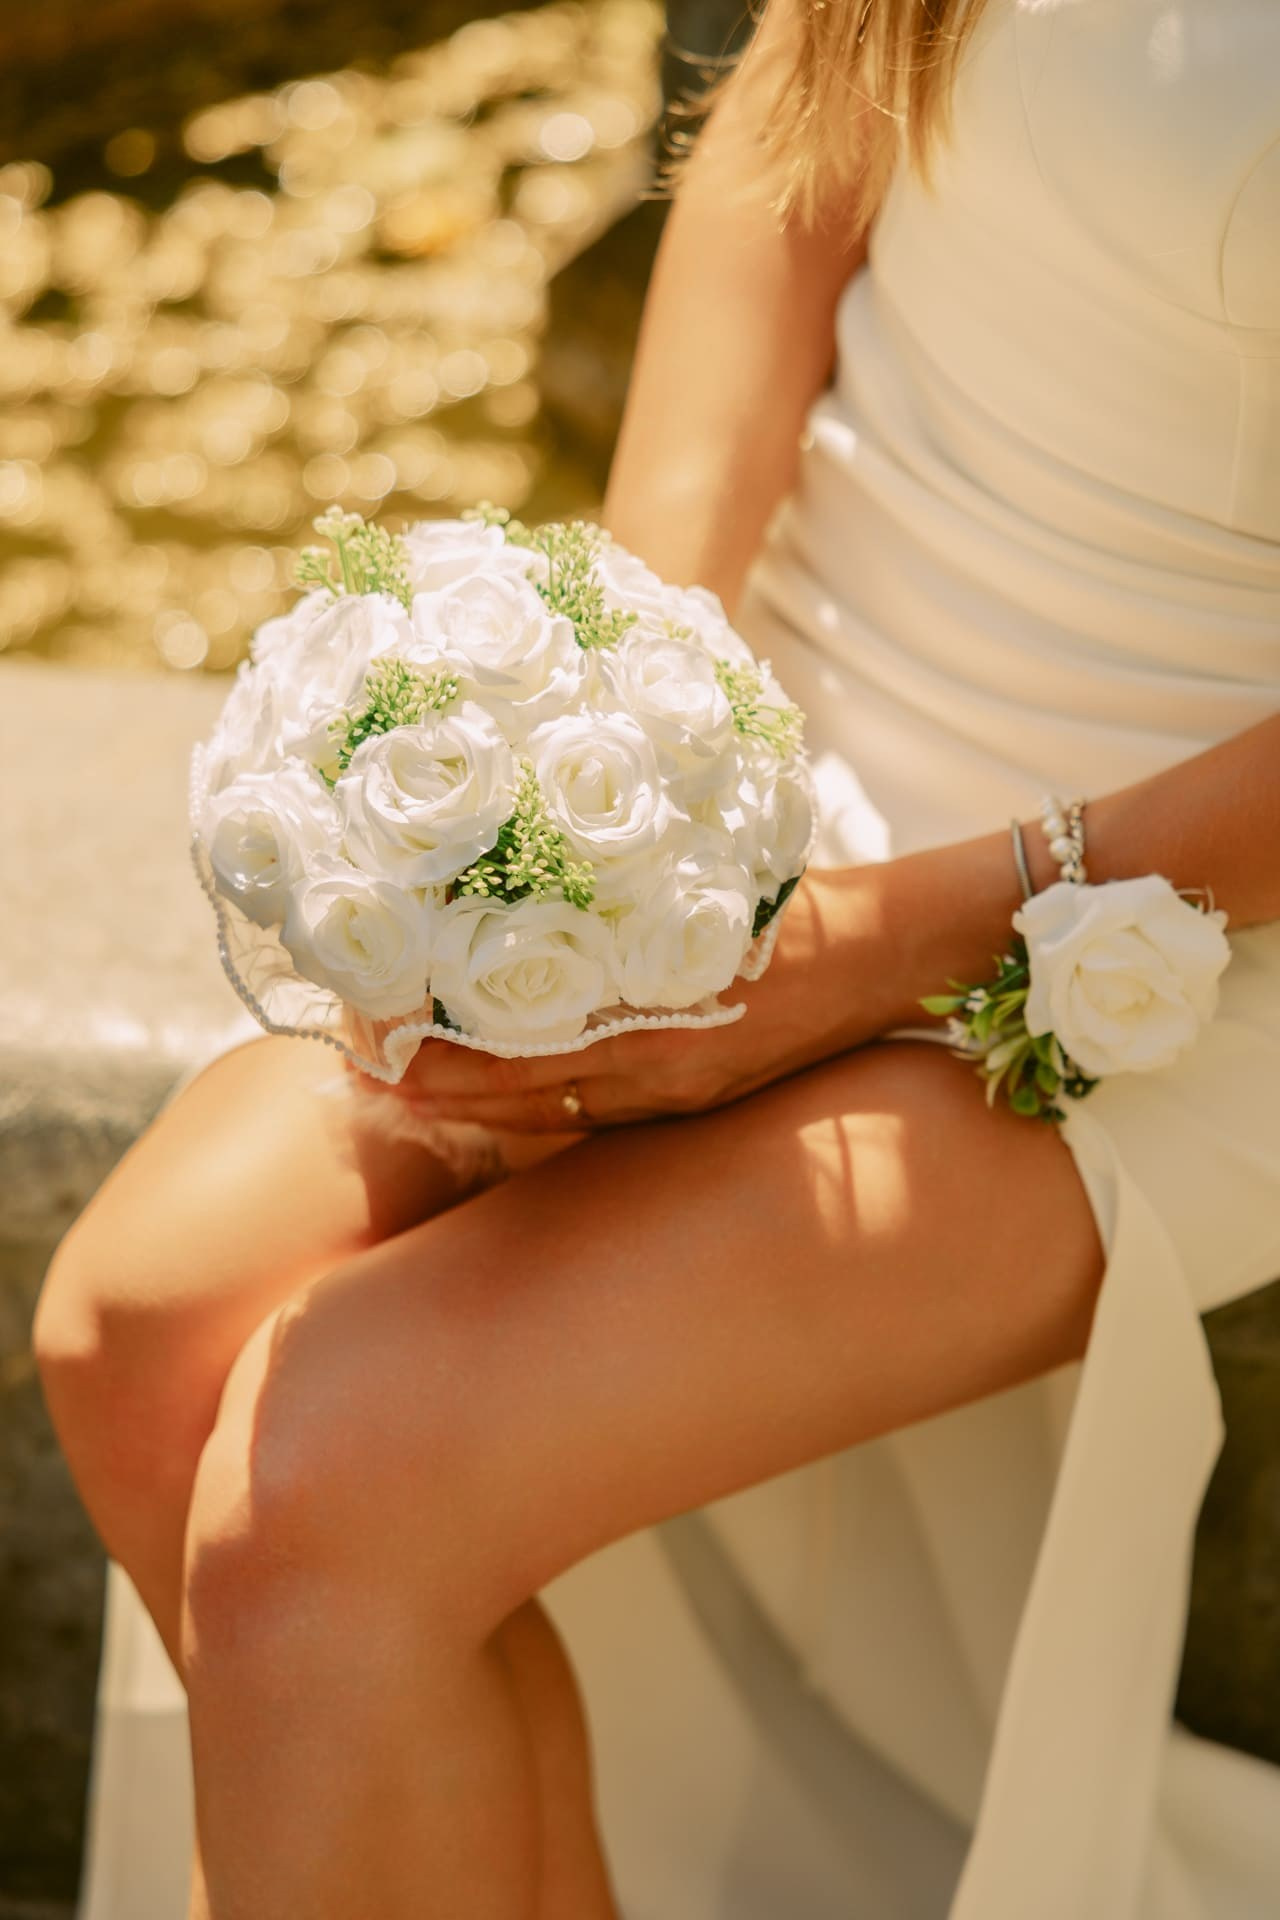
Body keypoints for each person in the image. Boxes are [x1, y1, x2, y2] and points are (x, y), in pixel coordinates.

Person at [32, 0, 1280, 1914]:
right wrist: (625, 713)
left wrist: (862, 954)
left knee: (342, 1474)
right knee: (143, 1333)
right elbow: (803, 136)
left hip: (1181, 906)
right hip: (794, 721)